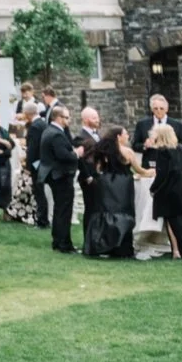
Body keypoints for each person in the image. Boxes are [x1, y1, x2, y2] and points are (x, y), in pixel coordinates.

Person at [146, 125, 182, 259]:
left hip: (168, 191)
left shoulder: (162, 152)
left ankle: (177, 250)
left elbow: (161, 175)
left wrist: (153, 188)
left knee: (172, 221)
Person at [82, 126, 140, 259]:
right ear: (119, 136)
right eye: (126, 134)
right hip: (124, 185)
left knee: (104, 212)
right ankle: (123, 248)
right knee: (124, 212)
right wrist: (150, 172)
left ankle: (102, 244)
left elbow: (97, 168)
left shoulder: (104, 151)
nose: (128, 136)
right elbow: (139, 169)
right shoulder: (127, 152)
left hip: (106, 184)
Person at [33, 105, 79, 254]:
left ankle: (58, 241)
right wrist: (76, 154)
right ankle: (64, 244)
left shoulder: (49, 130)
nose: (69, 120)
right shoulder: (56, 134)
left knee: (60, 209)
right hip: (60, 176)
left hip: (54, 175)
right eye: (66, 117)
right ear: (58, 118)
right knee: (64, 211)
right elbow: (63, 155)